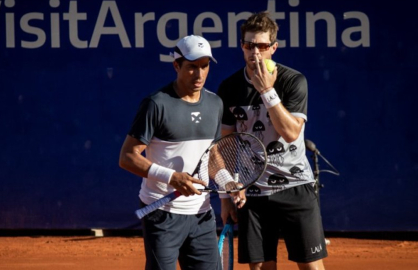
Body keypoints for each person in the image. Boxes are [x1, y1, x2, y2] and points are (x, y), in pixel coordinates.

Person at [217, 12, 328, 270]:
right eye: (248, 45)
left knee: (311, 267)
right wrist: (225, 195)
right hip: (253, 192)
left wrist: (267, 91)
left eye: (262, 46)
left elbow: (291, 133)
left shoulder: (292, 81)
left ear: (273, 48)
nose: (255, 52)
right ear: (241, 46)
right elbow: (226, 144)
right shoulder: (229, 87)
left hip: (296, 185)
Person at [119, 35, 225, 270]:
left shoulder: (215, 104)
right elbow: (127, 157)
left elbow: (213, 153)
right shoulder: (156, 104)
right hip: (162, 213)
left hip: (202, 214)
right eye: (192, 67)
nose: (199, 75)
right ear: (176, 65)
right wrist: (172, 177)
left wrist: (227, 182)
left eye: (204, 66)